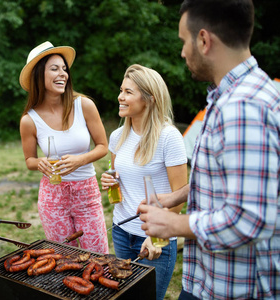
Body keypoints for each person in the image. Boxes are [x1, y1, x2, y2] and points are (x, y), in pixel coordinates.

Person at [138, 1, 280, 299]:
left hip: (235, 288)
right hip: (208, 277)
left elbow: (249, 218)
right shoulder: (238, 95)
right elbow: (236, 179)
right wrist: (179, 196)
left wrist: (174, 223)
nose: (182, 52)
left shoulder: (242, 107)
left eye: (183, 41)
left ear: (203, 40)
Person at [100, 64, 187, 300]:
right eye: (121, 90)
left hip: (156, 236)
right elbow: (116, 174)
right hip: (121, 230)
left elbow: (180, 195)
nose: (120, 96)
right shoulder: (117, 136)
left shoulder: (169, 138)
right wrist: (109, 178)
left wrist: (157, 232)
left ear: (149, 99)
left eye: (128, 92)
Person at [19, 41, 109, 253]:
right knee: (64, 259)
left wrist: (81, 159)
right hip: (53, 198)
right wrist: (39, 162)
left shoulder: (84, 105)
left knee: (98, 256)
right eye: (54, 69)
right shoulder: (29, 120)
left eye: (64, 69)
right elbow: (29, 160)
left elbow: (103, 146)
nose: (63, 74)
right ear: (39, 75)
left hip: (87, 193)